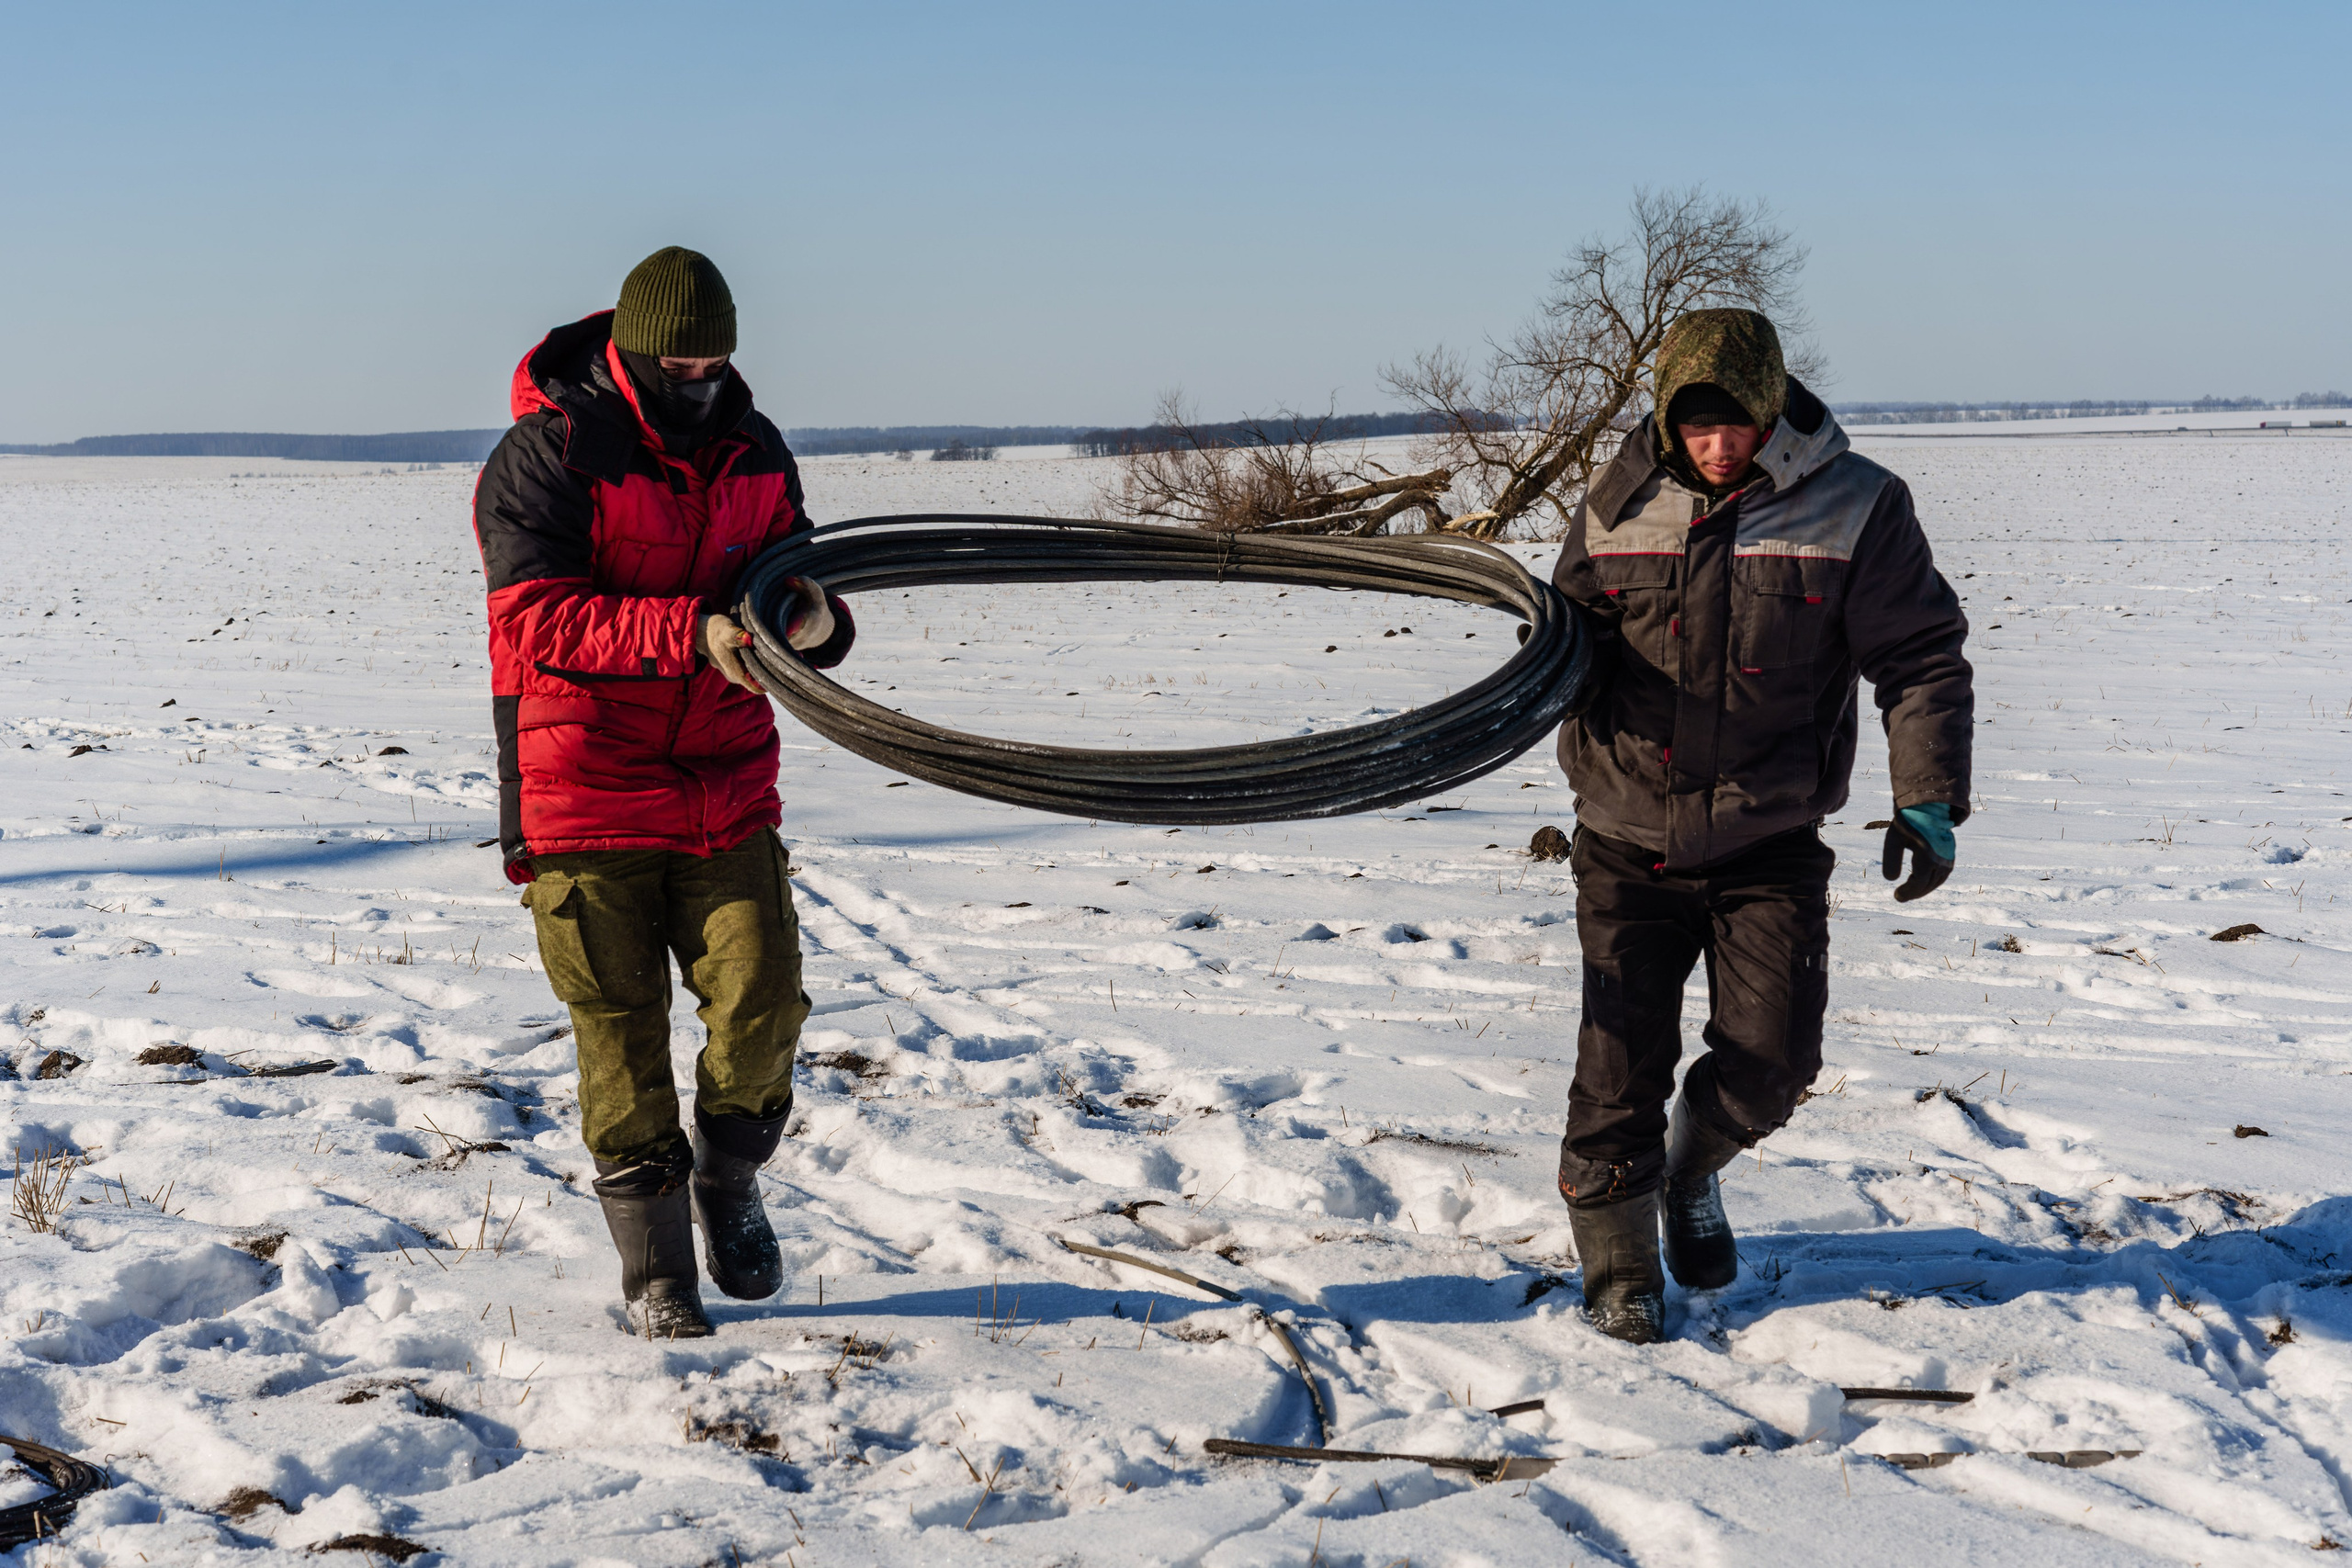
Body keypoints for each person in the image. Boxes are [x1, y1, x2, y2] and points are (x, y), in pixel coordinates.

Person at [1549, 309, 1973, 1342]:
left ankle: (1692, 1173)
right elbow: (1561, 641)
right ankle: (1619, 1266)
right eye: (1695, 424)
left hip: (1766, 835)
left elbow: (1918, 658)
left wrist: (1925, 799)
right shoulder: (1616, 500)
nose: (1717, 444)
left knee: (1772, 1058)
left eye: (1735, 421)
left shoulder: (1858, 504)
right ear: (1665, 416)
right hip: (1624, 833)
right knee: (1617, 1069)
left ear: (1772, 403)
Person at [472, 247, 854, 1337]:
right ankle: (657, 1275)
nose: (701, 382)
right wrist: (690, 633)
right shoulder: (547, 456)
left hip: (726, 782)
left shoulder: (754, 445)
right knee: (618, 1025)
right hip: (584, 786)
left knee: (762, 1003)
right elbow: (533, 619)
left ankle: (727, 1181)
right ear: (634, 355)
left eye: (716, 361)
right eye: (680, 364)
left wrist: (816, 626)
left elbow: (790, 582)